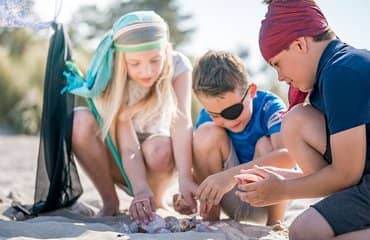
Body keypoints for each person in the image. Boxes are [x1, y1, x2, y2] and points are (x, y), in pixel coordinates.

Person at [236, 0, 370, 239]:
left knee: (304, 231)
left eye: (277, 64)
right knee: (296, 120)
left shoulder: (342, 72)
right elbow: (342, 174)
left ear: (299, 44)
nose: (280, 77)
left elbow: (346, 174)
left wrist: (282, 190)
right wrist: (278, 180)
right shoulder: (332, 70)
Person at [63, 11, 198, 224]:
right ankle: (110, 202)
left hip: (158, 156)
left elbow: (182, 123)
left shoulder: (179, 65)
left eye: (155, 60)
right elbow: (127, 147)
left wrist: (185, 178)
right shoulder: (113, 73)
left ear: (166, 50)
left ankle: (156, 199)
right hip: (118, 152)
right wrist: (139, 189)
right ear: (121, 58)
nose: (146, 71)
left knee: (159, 150)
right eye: (135, 63)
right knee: (78, 121)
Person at [191, 50, 296, 225]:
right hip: (228, 198)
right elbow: (203, 165)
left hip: (269, 198)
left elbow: (288, 157)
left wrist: (230, 176)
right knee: (206, 132)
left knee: (264, 143)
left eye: (232, 112)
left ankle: (274, 224)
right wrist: (191, 190)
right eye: (214, 115)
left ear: (252, 91)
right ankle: (210, 217)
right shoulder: (209, 119)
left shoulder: (269, 106)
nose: (225, 121)